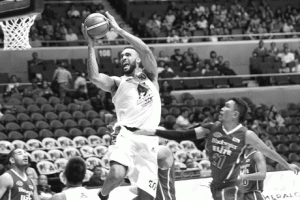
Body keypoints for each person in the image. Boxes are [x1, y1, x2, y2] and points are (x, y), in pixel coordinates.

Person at [82, 11, 173, 200]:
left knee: (150, 190)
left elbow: (146, 51)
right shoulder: (117, 83)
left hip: (148, 139)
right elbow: (94, 77)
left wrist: (118, 30)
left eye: (128, 55)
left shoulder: (151, 77)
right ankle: (102, 195)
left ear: (137, 59)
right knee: (116, 174)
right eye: (121, 56)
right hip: (126, 136)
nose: (123, 57)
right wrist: (91, 45)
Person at [134, 97, 300, 200]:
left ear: (235, 114)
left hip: (233, 186)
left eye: (227, 106)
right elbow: (182, 135)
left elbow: (268, 151)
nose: (222, 108)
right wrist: (154, 131)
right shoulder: (211, 128)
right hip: (216, 186)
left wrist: (288, 165)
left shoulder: (246, 134)